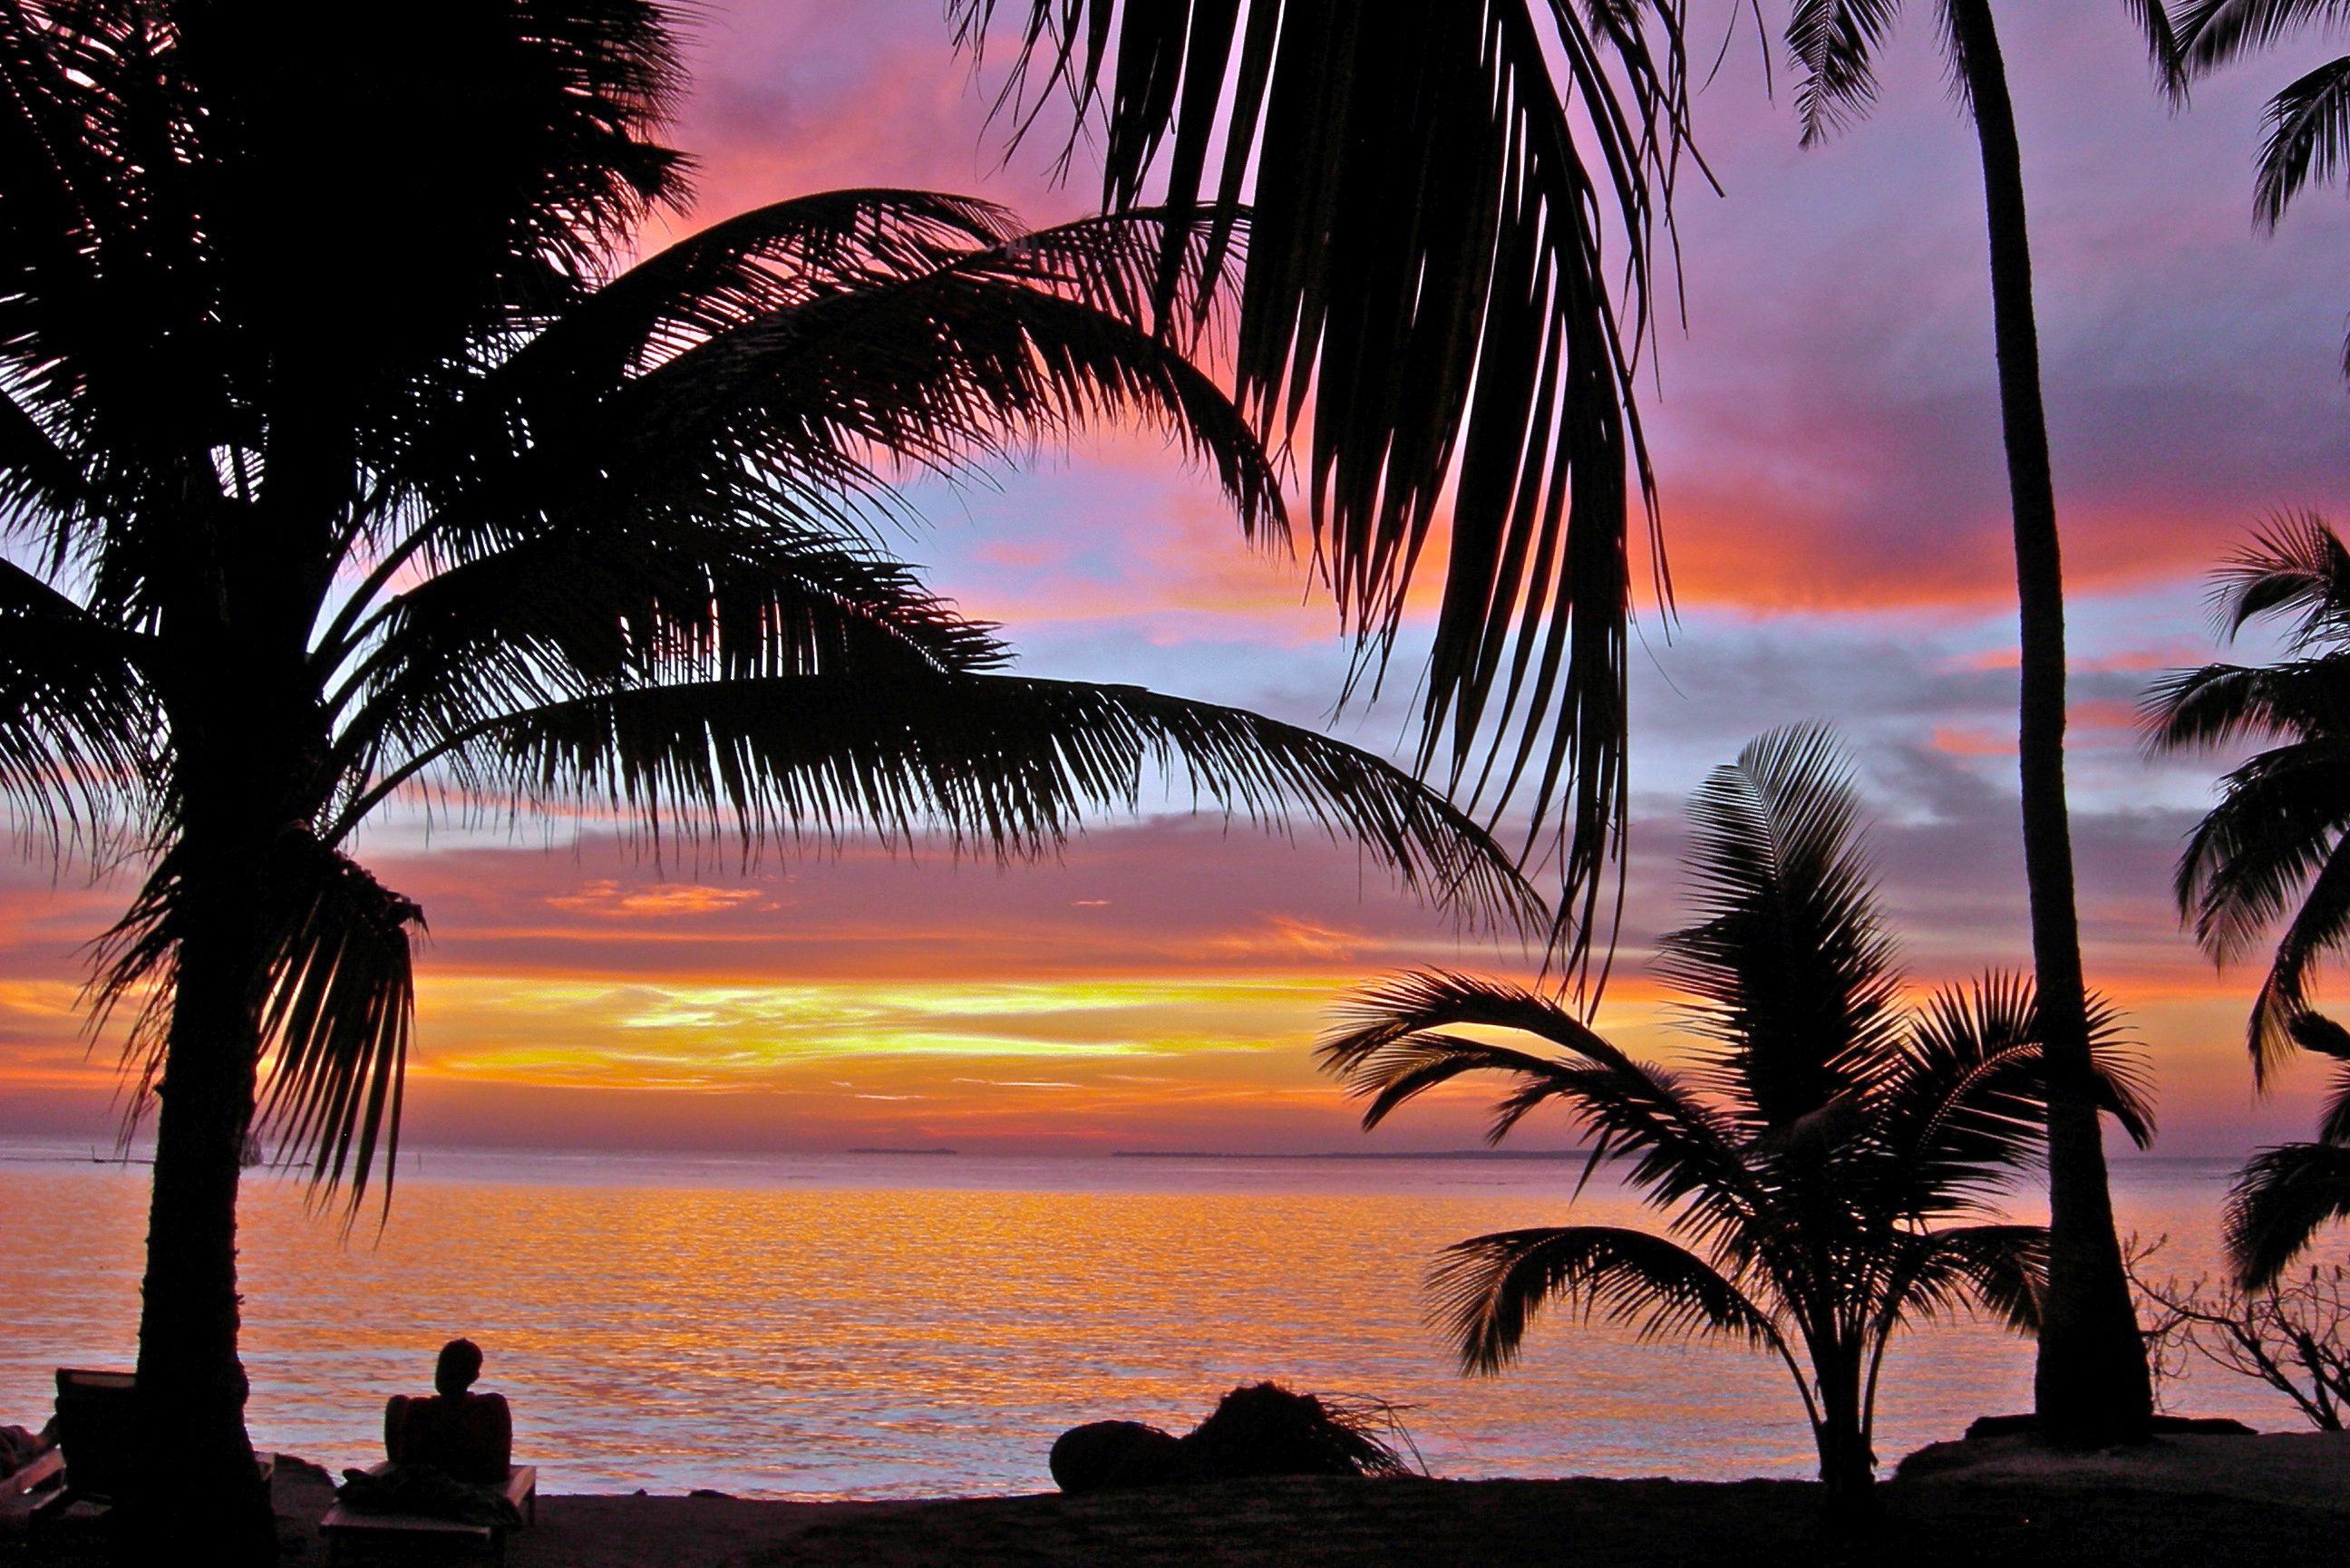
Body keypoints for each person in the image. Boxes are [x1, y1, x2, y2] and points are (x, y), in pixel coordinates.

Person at [384, 1338, 512, 1485]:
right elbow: (500, 1470)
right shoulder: (492, 1406)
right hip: (474, 1479)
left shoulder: (419, 1409)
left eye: (443, 1367)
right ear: (475, 1376)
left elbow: (407, 1464)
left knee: (398, 1403)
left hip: (429, 1484)